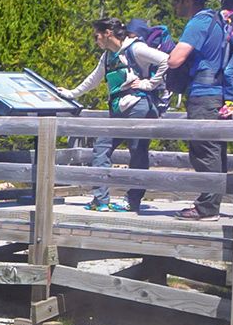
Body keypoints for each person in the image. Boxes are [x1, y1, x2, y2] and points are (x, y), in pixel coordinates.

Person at [61, 16, 167, 211]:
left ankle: (132, 200)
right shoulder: (108, 55)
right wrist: (71, 94)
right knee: (102, 146)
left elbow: (165, 61)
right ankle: (101, 199)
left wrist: (149, 84)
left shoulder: (135, 48)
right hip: (119, 109)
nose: (95, 41)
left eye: (97, 36)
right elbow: (93, 79)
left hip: (139, 106)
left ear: (107, 33)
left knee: (137, 152)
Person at [158, 0, 233, 220]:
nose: (175, 5)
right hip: (214, 93)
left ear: (189, 0)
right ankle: (210, 204)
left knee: (205, 151)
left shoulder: (200, 22)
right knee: (212, 149)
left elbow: (175, 60)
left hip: (204, 95)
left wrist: (162, 56)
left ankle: (207, 208)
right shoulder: (216, 21)